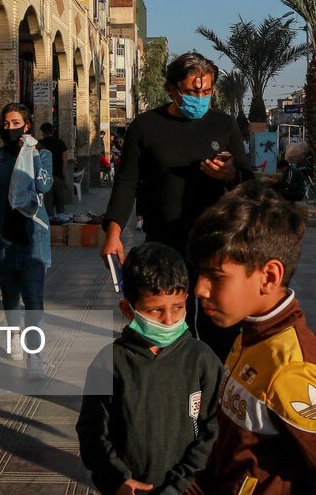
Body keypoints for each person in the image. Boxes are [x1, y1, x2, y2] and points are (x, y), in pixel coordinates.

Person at [186, 182, 316, 493]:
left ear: (269, 277)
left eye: (216, 277)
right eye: (200, 274)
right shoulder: (249, 333)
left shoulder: (291, 370)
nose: (200, 289)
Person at [101, 52, 253, 360]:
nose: (201, 97)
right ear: (173, 89)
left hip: (215, 245)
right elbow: (127, 181)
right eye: (193, 92)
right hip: (165, 244)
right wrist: (113, 232)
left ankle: (216, 391)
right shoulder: (145, 127)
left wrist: (231, 174)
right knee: (168, 327)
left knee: (217, 328)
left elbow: (248, 181)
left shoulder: (223, 125)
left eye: (207, 91)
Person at [76, 242, 222, 495]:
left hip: (188, 489)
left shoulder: (202, 360)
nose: (168, 320)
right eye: (155, 310)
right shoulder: (108, 363)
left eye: (177, 307)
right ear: (128, 310)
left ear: (186, 300)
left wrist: (181, 483)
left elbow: (215, 430)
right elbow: (93, 432)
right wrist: (116, 478)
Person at [0, 103, 53, 379]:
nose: (10, 128)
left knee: (34, 298)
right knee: (10, 296)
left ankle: (34, 353)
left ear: (27, 126)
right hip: (3, 236)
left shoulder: (43, 153)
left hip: (33, 236)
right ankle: (14, 335)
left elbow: (44, 185)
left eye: (16, 123)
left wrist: (32, 154)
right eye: (7, 123)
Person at [37, 122, 69, 215]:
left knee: (48, 202)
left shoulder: (40, 144)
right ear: (52, 131)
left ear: (43, 132)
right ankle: (61, 219)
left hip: (45, 176)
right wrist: (62, 173)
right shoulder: (60, 142)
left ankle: (50, 221)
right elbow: (65, 159)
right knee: (60, 200)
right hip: (58, 175)